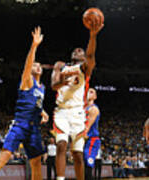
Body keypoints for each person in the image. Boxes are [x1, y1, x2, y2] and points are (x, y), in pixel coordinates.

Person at [0, 26, 49, 180]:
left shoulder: (42, 88)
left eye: (39, 65)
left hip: (34, 128)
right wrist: (34, 46)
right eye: (35, 65)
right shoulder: (27, 81)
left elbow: (35, 103)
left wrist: (43, 112)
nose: (37, 66)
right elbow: (27, 65)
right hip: (21, 124)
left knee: (36, 162)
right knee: (5, 155)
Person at [51, 21, 104, 180]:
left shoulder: (85, 69)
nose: (77, 50)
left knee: (77, 154)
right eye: (75, 50)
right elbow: (54, 85)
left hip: (78, 113)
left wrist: (93, 36)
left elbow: (91, 55)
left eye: (80, 50)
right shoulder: (60, 65)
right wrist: (62, 83)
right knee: (61, 145)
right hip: (62, 111)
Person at [83, 88, 101, 180]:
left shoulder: (93, 108)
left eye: (91, 92)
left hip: (92, 139)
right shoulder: (82, 108)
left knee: (88, 164)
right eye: (87, 91)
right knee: (82, 164)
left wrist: (84, 133)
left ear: (95, 96)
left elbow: (88, 126)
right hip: (84, 139)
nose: (89, 93)